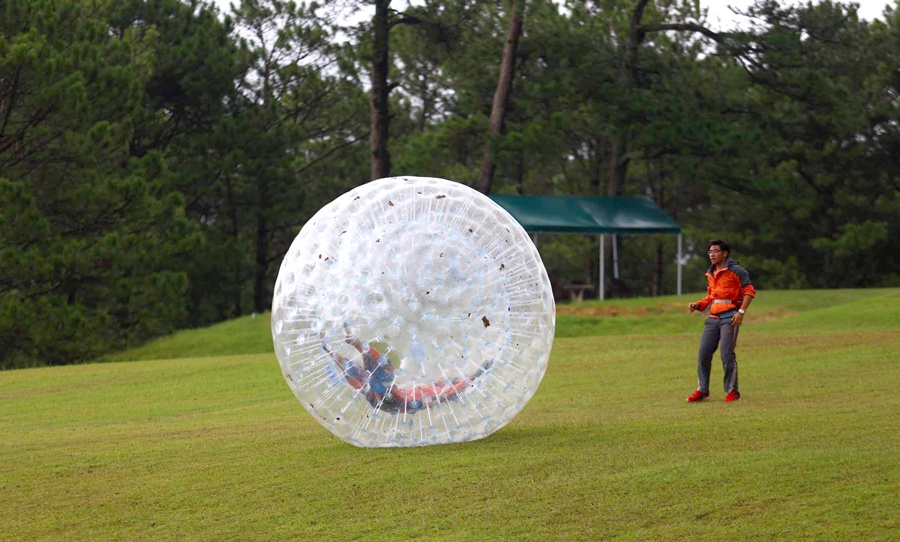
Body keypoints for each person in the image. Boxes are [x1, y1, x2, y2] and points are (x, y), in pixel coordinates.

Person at [322, 325, 491, 413]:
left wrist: (474, 375)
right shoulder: (428, 390)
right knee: (361, 375)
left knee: (381, 368)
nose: (444, 379)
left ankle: (351, 346)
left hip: (385, 397)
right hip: (381, 397)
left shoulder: (430, 395)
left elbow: (453, 391)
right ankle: (334, 350)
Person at [686, 239, 756, 403]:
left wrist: (741, 312)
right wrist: (698, 305)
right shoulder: (711, 273)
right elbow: (711, 297)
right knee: (703, 354)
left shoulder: (736, 271)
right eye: (710, 252)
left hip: (729, 317)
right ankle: (702, 390)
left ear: (725, 254)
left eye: (716, 251)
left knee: (726, 354)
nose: (712, 254)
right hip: (713, 318)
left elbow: (749, 291)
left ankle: (732, 391)